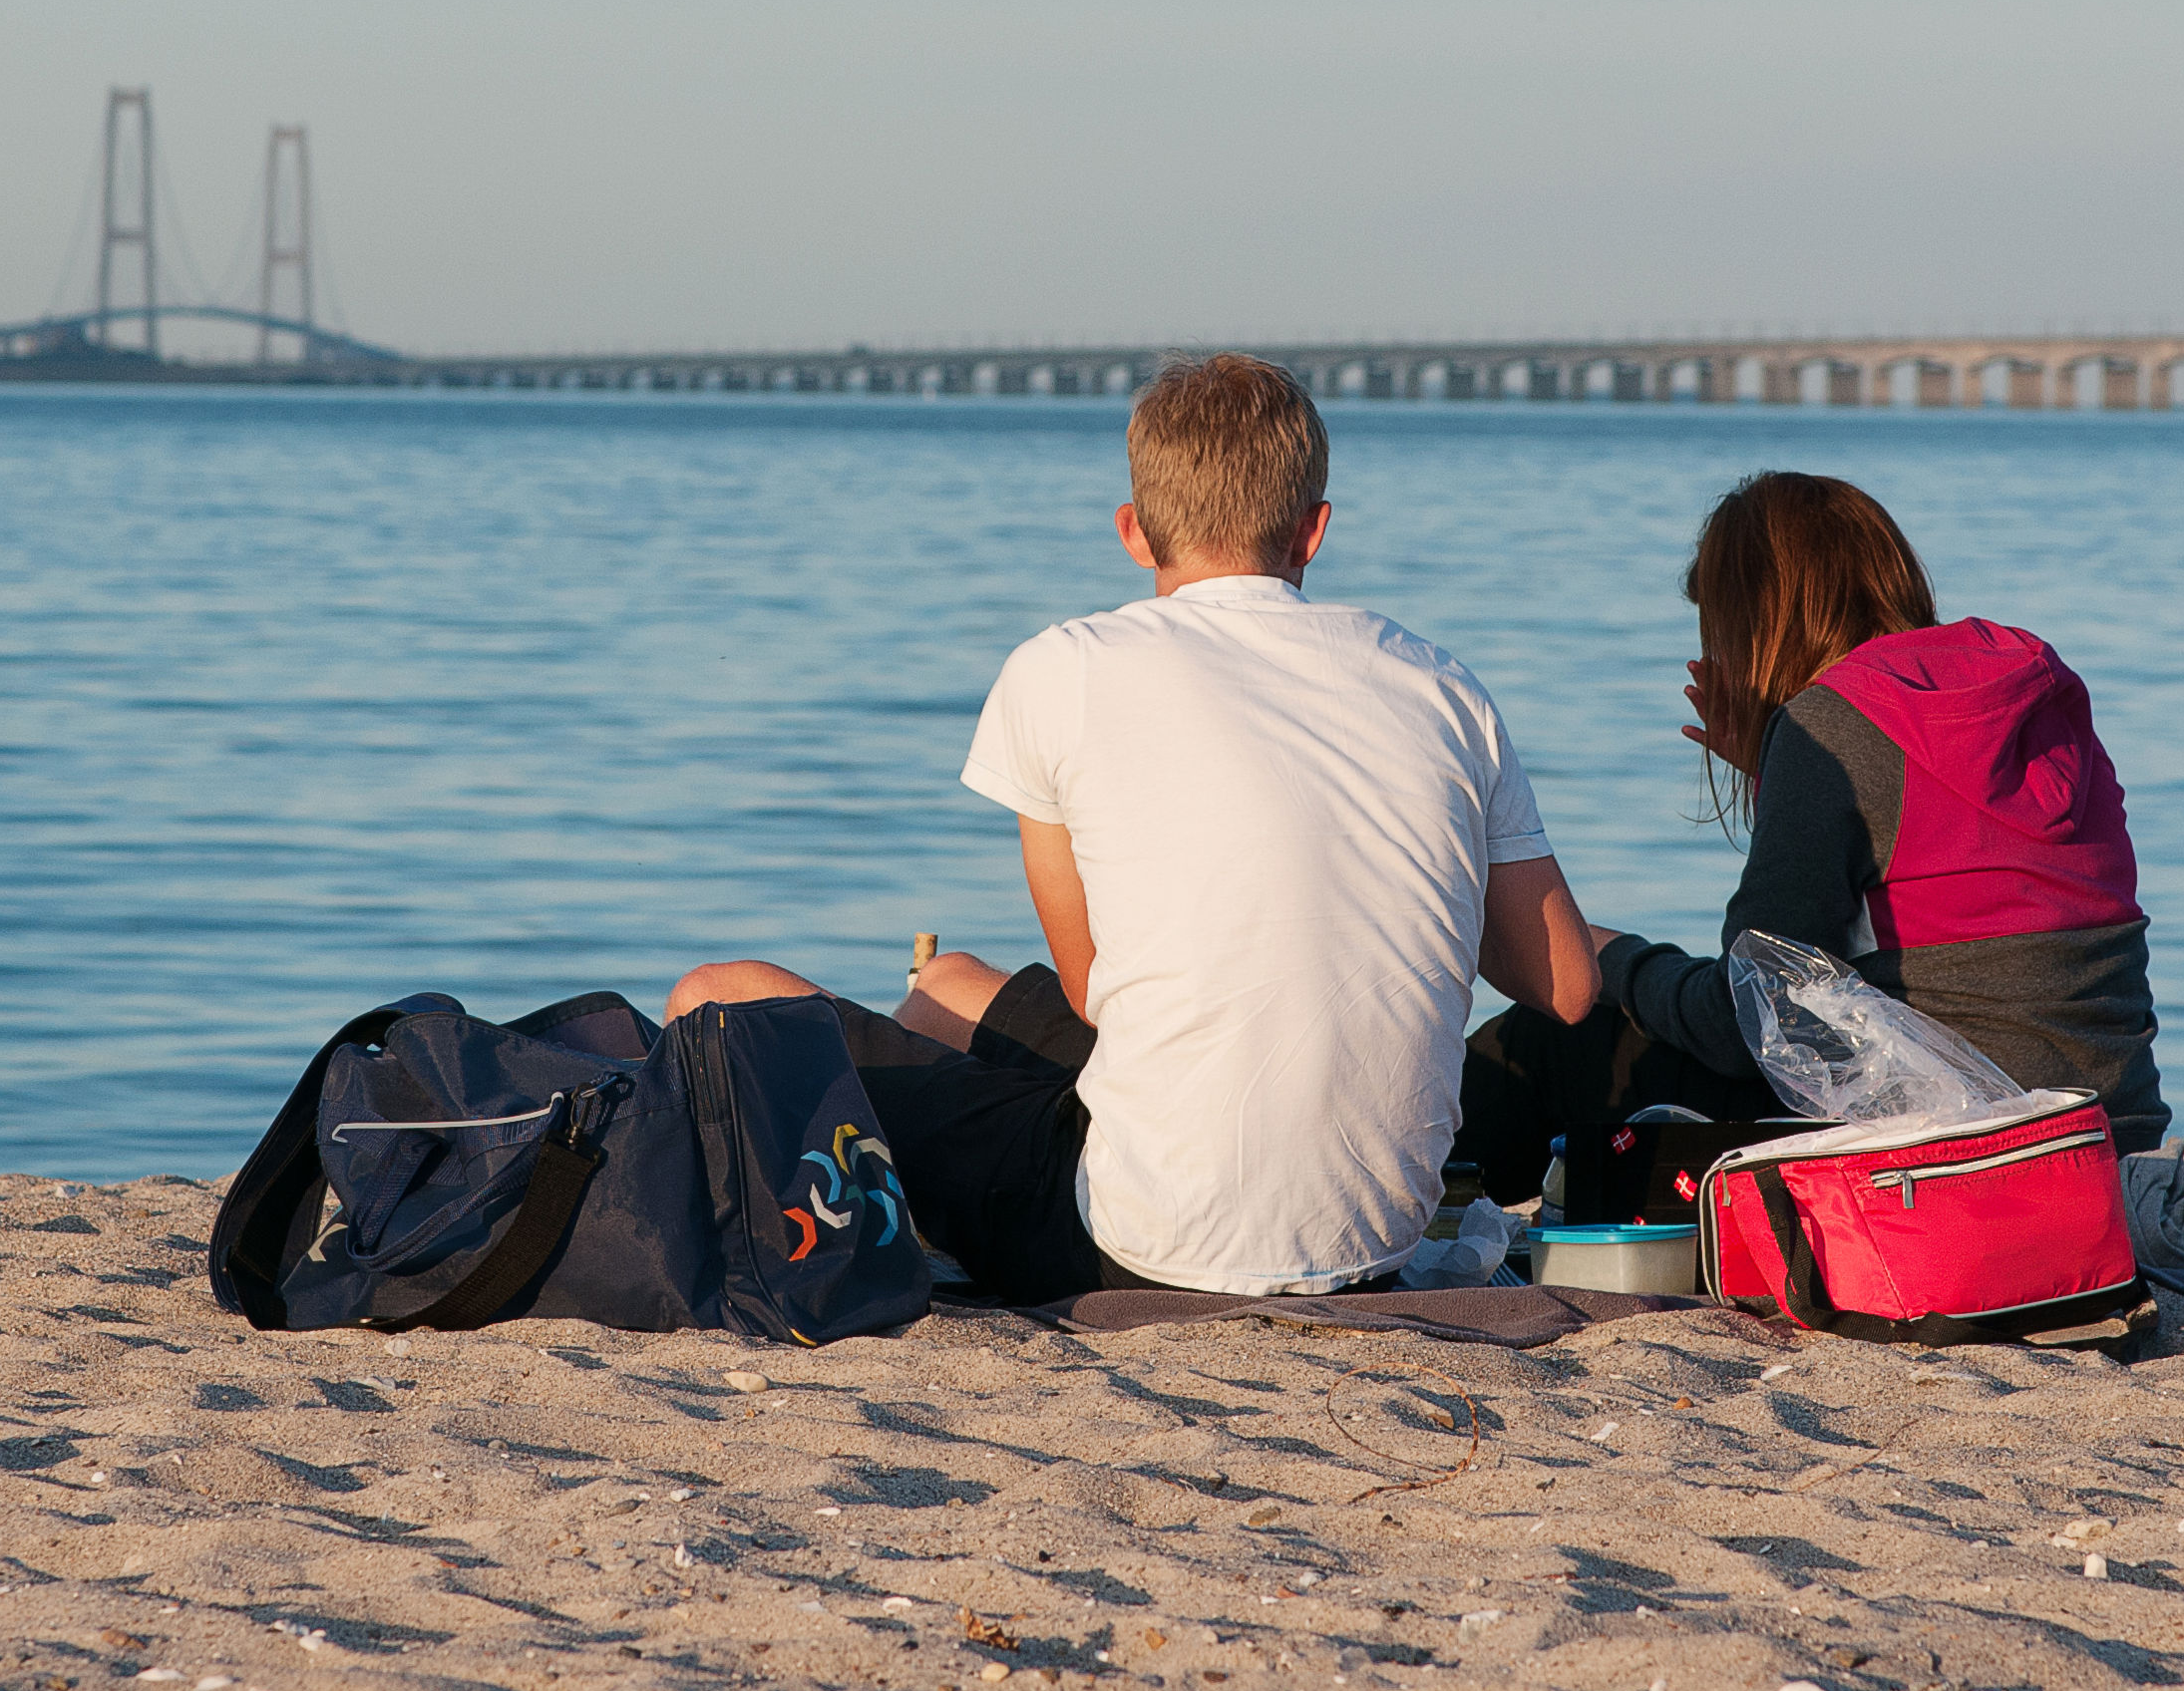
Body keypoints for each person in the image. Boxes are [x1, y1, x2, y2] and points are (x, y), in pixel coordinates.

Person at [670, 354, 1602, 1302]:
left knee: (718, 993)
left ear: (1133, 532)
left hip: (1133, 1246)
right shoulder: (1441, 686)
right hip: (1373, 1242)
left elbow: (1089, 989)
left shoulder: (1063, 668)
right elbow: (1565, 987)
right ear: (1313, 532)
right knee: (949, 985)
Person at [1454, 471, 2169, 1201]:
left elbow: (1747, 1025)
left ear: (1758, 620)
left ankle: (1409, 1210)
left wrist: (1611, 962)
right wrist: (1776, 769)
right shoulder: (2030, 690)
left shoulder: (1833, 728)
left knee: (1558, 1045)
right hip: (2107, 1134)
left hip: (1957, 1151)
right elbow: (1915, 894)